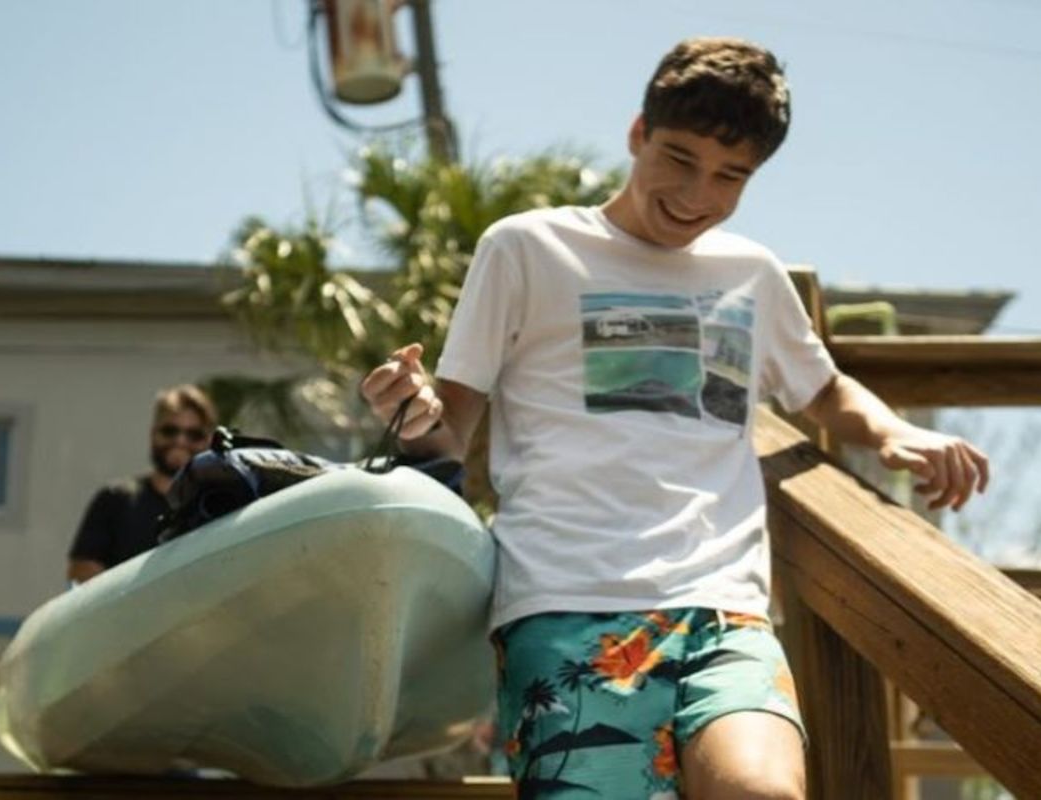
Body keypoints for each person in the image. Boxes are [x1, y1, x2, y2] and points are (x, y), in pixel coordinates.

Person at [359, 37, 989, 800]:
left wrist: (896, 432)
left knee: (762, 793)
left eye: (731, 176)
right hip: (567, 600)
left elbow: (823, 392)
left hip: (725, 604)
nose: (697, 194)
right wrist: (412, 409)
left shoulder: (751, 275)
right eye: (679, 159)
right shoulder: (528, 248)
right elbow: (450, 429)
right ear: (638, 133)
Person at [66, 384, 218, 584]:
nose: (180, 441)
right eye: (170, 431)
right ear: (153, 433)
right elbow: (82, 573)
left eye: (194, 435)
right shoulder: (115, 499)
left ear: (208, 441)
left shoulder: (217, 505)